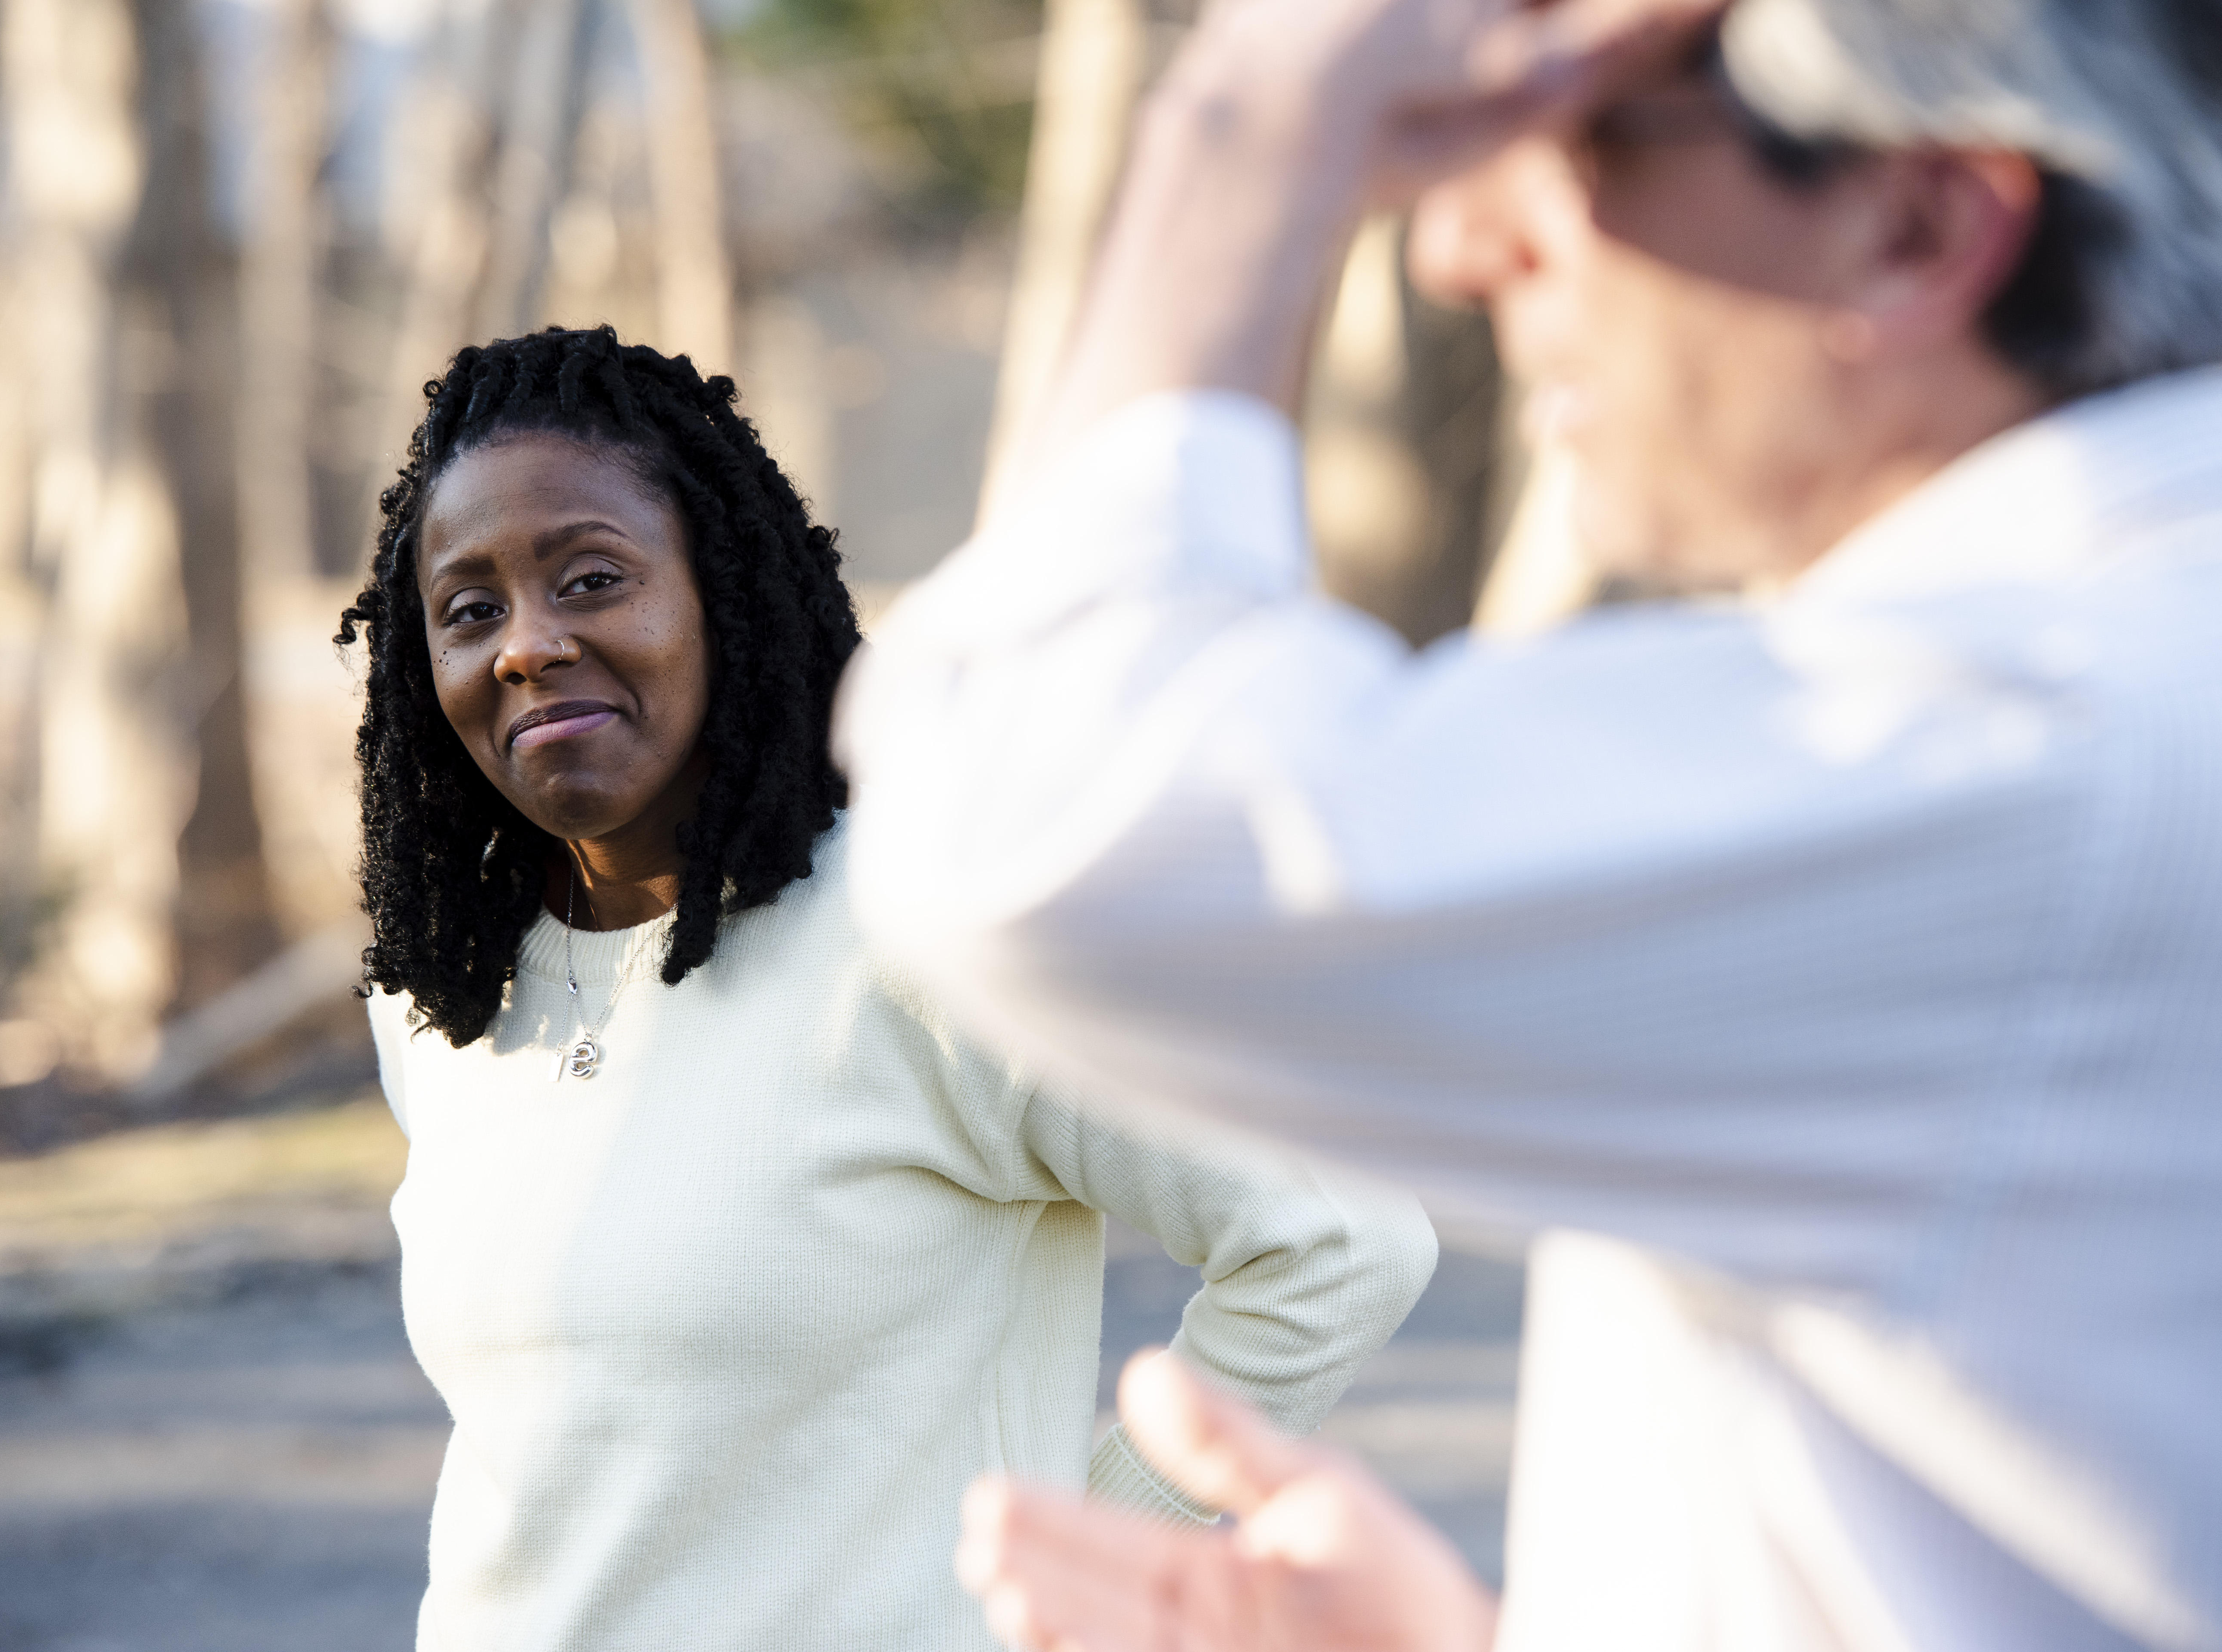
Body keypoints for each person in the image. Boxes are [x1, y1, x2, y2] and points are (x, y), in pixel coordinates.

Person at [838, 0, 2222, 1646]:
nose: (1459, 248)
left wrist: (1242, 125)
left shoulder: (2026, 744)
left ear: (1921, 226)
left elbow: (1036, 825)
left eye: (1584, 136)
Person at [337, 325, 1438, 1652]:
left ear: (725, 594)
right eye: (470, 610)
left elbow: (1341, 1235)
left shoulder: (918, 933)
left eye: (590, 578)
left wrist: (1095, 1551)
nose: (528, 645)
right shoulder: (442, 1001)